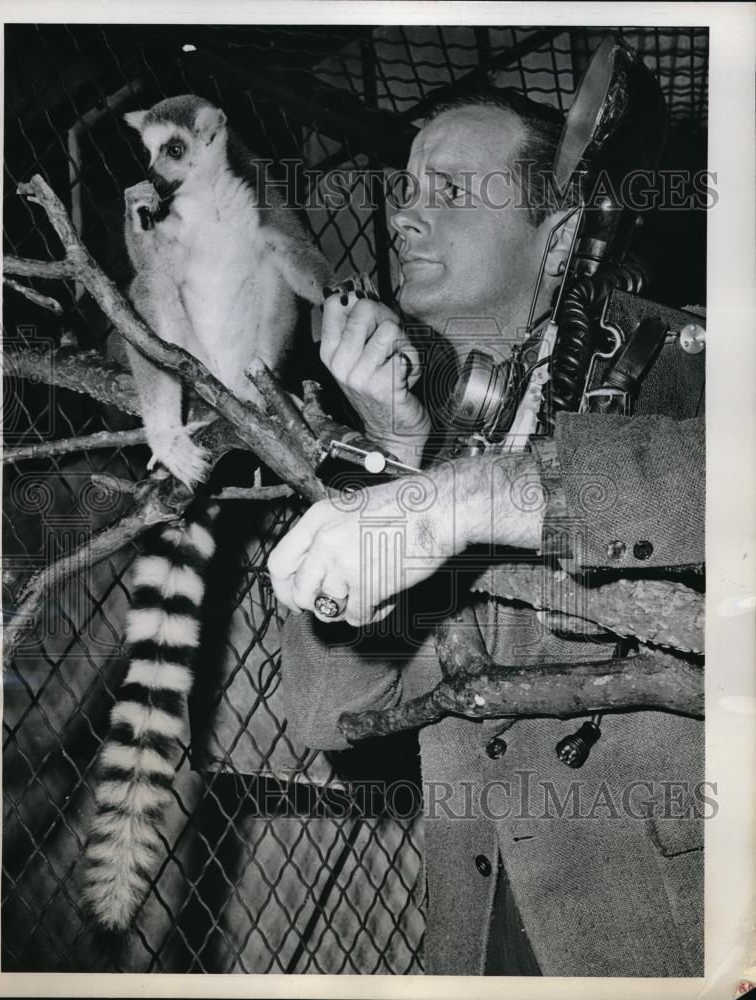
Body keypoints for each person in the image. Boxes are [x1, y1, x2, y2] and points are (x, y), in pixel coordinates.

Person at [267, 87, 705, 976]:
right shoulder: (408, 413)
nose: (403, 217)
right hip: (482, 935)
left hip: (664, 931)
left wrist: (485, 492)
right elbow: (327, 711)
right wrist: (393, 448)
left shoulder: (689, 367)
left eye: (451, 192)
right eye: (406, 190)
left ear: (557, 240)